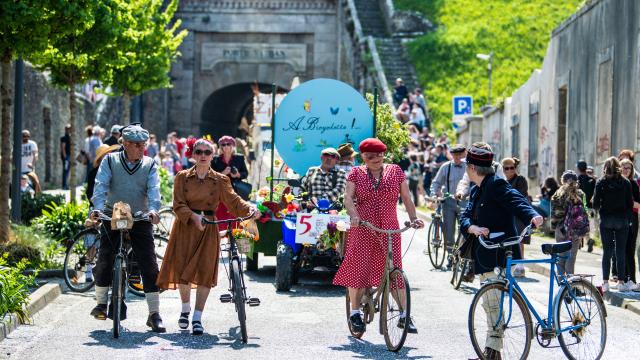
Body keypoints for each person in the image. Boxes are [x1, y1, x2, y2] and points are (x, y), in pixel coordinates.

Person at [157, 138, 258, 335]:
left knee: (204, 272)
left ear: (213, 156)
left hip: (209, 228)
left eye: (207, 152)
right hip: (185, 226)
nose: (203, 156)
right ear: (193, 155)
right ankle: (185, 309)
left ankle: (197, 317)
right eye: (199, 152)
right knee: (183, 271)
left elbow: (234, 201)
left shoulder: (220, 180)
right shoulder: (182, 177)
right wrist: (194, 217)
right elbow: (177, 205)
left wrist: (250, 208)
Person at [333, 138, 424, 334]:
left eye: (379, 155)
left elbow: (406, 198)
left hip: (390, 229)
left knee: (395, 272)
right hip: (364, 227)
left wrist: (414, 218)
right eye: (370, 156)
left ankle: (404, 316)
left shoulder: (395, 171)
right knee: (359, 270)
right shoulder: (356, 172)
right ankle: (355, 313)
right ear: (363, 157)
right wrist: (355, 217)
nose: (376, 159)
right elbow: (348, 198)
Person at [460, 144, 543, 359]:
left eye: (467, 166)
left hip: (501, 252)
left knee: (492, 302)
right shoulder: (477, 189)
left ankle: (493, 349)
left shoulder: (496, 184)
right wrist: (472, 227)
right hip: (485, 252)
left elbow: (516, 199)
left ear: (472, 167)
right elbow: (466, 216)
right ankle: (492, 347)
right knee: (490, 303)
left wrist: (532, 215)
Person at [89, 124, 166, 333]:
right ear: (125, 144)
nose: (142, 149)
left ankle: (154, 314)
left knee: (149, 263)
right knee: (105, 258)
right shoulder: (110, 160)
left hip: (140, 216)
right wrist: (96, 209)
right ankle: (102, 303)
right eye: (137, 145)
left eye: (144, 145)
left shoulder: (149, 164)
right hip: (111, 213)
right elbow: (101, 185)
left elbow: (154, 189)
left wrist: (153, 210)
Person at [592, 156, 633, 292]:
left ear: (605, 168)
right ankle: (621, 282)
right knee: (620, 251)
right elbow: (630, 203)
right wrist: (627, 218)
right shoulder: (626, 182)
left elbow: (596, 204)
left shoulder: (601, 182)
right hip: (622, 220)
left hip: (607, 220)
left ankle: (605, 283)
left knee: (607, 252)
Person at [429, 144, 467, 265]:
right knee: (449, 230)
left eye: (460, 155)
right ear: (452, 155)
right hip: (449, 201)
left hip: (465, 202)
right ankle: (450, 255)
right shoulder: (446, 167)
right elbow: (436, 182)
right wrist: (434, 194)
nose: (457, 158)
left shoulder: (469, 167)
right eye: (455, 155)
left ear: (464, 154)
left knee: (465, 230)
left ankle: (462, 254)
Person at [550, 171, 587, 275]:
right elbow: (585, 211)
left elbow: (554, 214)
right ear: (576, 182)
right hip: (575, 230)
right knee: (571, 257)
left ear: (562, 181)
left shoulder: (557, 194)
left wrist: (554, 227)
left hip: (561, 229)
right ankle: (570, 284)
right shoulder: (581, 194)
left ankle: (562, 285)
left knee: (561, 257)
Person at [211, 136, 250, 229]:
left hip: (235, 190)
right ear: (220, 147)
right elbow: (211, 175)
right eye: (223, 145)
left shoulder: (239, 158)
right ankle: (221, 234)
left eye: (228, 144)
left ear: (233, 146)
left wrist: (237, 175)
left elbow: (245, 173)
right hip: (221, 192)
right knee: (221, 213)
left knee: (235, 213)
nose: (226, 146)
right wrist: (223, 173)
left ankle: (234, 235)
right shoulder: (216, 159)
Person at [502, 157, 531, 277]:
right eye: (506, 168)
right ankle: (511, 265)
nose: (509, 171)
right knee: (509, 240)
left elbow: (521, 195)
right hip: (507, 214)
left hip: (519, 214)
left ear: (515, 168)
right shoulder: (503, 181)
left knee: (519, 239)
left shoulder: (520, 180)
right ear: (503, 169)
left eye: (512, 168)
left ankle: (520, 266)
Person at [620, 159, 640, 291]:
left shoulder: (633, 184)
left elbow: (638, 204)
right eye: (624, 167)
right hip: (619, 219)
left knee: (630, 250)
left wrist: (625, 201)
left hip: (632, 218)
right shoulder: (617, 183)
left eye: (629, 168)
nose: (627, 170)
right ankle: (623, 279)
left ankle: (631, 279)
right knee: (620, 251)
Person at [577, 160, 597, 252]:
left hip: (579, 207)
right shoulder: (592, 180)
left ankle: (583, 241)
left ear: (578, 168)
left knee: (581, 225)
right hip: (590, 207)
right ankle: (591, 240)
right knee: (591, 224)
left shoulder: (576, 180)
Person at [21, 130, 41, 194]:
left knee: (36, 182)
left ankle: (37, 197)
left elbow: (35, 155)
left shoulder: (32, 144)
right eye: (24, 136)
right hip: (19, 171)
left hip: (29, 170)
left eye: (28, 136)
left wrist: (32, 164)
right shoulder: (17, 144)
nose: (26, 137)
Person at [60, 124, 71, 190]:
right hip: (66, 157)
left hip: (69, 156)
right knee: (65, 171)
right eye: (68, 129)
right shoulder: (63, 138)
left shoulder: (70, 137)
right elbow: (63, 147)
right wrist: (65, 157)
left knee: (67, 171)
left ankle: (66, 185)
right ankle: (64, 185)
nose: (70, 130)